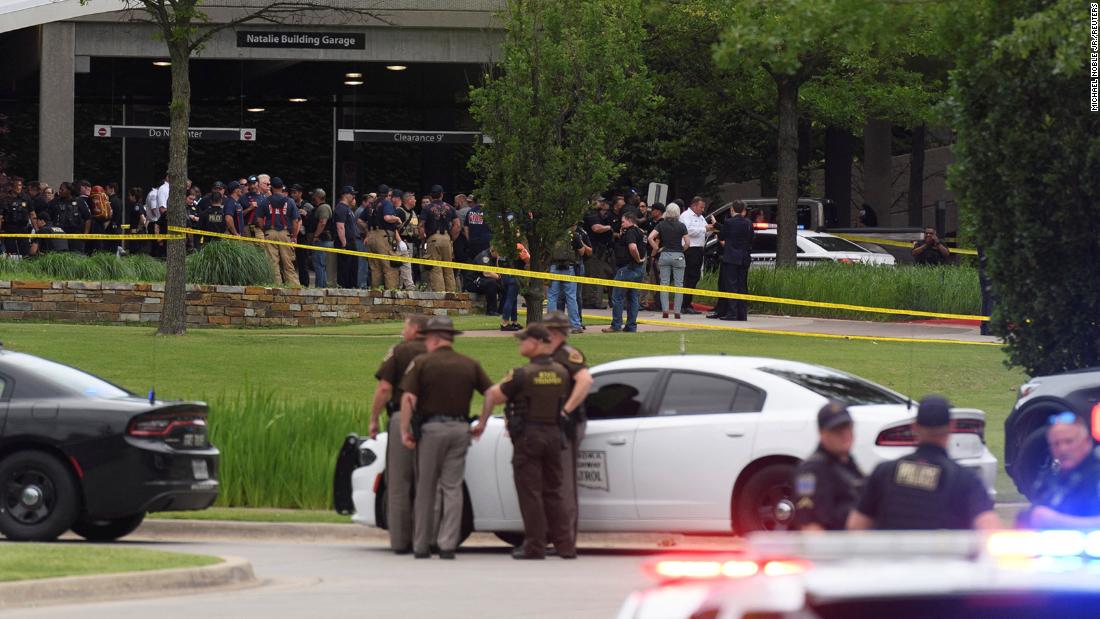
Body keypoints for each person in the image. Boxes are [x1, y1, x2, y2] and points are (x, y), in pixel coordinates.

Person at [475, 324, 576, 560]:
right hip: (554, 434)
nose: (520, 344)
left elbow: (493, 395)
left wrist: (482, 422)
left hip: (529, 436)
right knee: (554, 492)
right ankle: (565, 545)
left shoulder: (521, 374)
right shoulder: (562, 372)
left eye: (524, 340)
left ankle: (535, 545)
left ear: (537, 343)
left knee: (530, 492)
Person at [399, 316, 493, 559]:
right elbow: (491, 393)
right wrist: (482, 422)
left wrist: (404, 430)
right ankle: (447, 544)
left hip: (431, 430)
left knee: (426, 487)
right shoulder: (469, 363)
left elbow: (408, 398)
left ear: (434, 339)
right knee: (452, 488)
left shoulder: (422, 362)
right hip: (460, 429)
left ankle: (422, 544)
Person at [847, 396, 1001, 531]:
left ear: (914, 426)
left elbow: (856, 526)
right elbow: (989, 527)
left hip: (893, 555)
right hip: (948, 556)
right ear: (951, 426)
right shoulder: (966, 479)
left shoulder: (884, 472)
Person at [368, 314, 429, 554]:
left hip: (403, 417)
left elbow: (385, 388)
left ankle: (401, 540)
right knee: (428, 481)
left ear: (415, 329)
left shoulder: (400, 351)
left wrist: (374, 418)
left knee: (398, 483)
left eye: (405, 326)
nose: (403, 331)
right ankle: (428, 538)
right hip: (434, 420)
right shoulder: (439, 352)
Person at [541, 311, 594, 548]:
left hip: (565, 425)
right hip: (551, 424)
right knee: (554, 482)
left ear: (554, 333)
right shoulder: (550, 355)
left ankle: (565, 539)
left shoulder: (567, 355)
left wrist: (566, 410)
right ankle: (554, 535)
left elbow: (585, 380)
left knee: (563, 484)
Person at [1018, 412, 1100, 528]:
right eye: (1056, 444)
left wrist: (1058, 521)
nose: (1062, 449)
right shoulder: (1051, 478)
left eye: (1069, 441)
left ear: (1087, 442)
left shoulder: (1096, 476)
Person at [792, 401, 865, 531]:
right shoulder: (810, 472)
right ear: (822, 433)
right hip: (834, 543)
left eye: (847, 427)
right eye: (837, 429)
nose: (845, 434)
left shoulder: (848, 464)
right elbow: (810, 527)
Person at [603, 212, 646, 333]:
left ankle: (616, 325)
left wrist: (637, 259)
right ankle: (631, 326)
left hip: (627, 269)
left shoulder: (631, 232)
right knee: (633, 298)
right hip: (637, 269)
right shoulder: (641, 232)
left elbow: (632, 247)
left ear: (630, 221)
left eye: (623, 222)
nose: (621, 224)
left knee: (617, 297)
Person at [710, 200, 753, 321]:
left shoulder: (729, 222)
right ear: (743, 210)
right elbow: (751, 238)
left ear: (732, 209)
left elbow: (722, 235)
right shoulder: (748, 223)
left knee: (731, 285)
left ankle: (732, 313)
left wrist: (717, 228)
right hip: (744, 257)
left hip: (731, 258)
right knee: (742, 285)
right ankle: (742, 314)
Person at [256, 177, 300, 286]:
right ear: (282, 187)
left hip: (270, 233)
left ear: (271, 187)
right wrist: (294, 236)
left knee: (273, 263)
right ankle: (294, 287)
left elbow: (259, 219)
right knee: (288, 262)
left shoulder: (265, 201)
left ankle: (276, 287)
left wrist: (265, 230)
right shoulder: (290, 201)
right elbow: (295, 221)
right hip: (285, 234)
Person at [649, 202, 689, 319]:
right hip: (678, 255)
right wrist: (682, 249)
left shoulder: (661, 225)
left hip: (665, 255)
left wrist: (656, 248)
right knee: (679, 284)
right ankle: (677, 312)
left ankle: (665, 310)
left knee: (664, 283)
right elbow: (688, 242)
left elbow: (651, 237)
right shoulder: (682, 226)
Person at [421, 184, 460, 293]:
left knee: (435, 268)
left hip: (433, 238)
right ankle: (451, 293)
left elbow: (421, 226)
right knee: (448, 267)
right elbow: (457, 225)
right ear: (442, 195)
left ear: (431, 196)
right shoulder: (450, 208)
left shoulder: (427, 208)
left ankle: (439, 295)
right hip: (446, 238)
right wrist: (451, 238)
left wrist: (423, 239)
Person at [546, 224, 584, 333]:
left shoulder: (553, 235)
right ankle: (575, 325)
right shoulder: (574, 235)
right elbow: (582, 252)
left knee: (552, 297)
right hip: (569, 267)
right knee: (571, 297)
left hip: (554, 267)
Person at [365, 185, 400, 290]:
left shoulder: (371, 204)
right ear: (388, 194)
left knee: (375, 268)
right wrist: (396, 218)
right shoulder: (386, 203)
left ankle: (376, 292)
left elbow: (360, 221)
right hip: (383, 236)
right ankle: (391, 293)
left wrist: (368, 232)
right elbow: (387, 217)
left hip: (371, 236)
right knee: (389, 266)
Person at [581, 198, 613, 309]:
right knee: (594, 274)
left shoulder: (596, 215)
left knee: (597, 274)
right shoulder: (591, 214)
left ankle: (592, 300)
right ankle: (592, 301)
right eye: (600, 202)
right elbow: (596, 228)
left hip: (597, 250)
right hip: (594, 251)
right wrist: (610, 227)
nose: (602, 204)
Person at [306, 189, 334, 288]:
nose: (312, 198)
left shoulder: (323, 207)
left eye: (313, 196)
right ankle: (322, 287)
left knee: (320, 266)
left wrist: (316, 236)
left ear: (317, 197)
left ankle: (320, 288)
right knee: (320, 266)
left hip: (322, 241)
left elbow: (323, 222)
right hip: (321, 241)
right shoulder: (319, 208)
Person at [333, 186, 358, 289]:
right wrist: (344, 243)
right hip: (345, 242)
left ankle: (351, 287)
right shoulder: (341, 208)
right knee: (345, 268)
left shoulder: (348, 208)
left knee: (352, 267)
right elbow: (340, 227)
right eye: (352, 194)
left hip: (351, 241)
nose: (353, 196)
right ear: (345, 195)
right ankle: (344, 288)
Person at [290, 184, 313, 287]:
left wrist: (307, 215)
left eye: (295, 192)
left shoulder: (307, 206)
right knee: (290, 260)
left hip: (303, 236)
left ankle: (304, 283)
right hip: (291, 234)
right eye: (292, 192)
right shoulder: (290, 203)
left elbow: (314, 222)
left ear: (300, 193)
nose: (293, 194)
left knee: (303, 261)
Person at [1, 183, 31, 256]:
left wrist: (37, 230)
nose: (19, 187)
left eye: (20, 185)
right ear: (12, 187)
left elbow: (32, 214)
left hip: (23, 229)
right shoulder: (4, 199)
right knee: (11, 253)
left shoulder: (26, 198)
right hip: (9, 229)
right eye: (17, 185)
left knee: (25, 252)